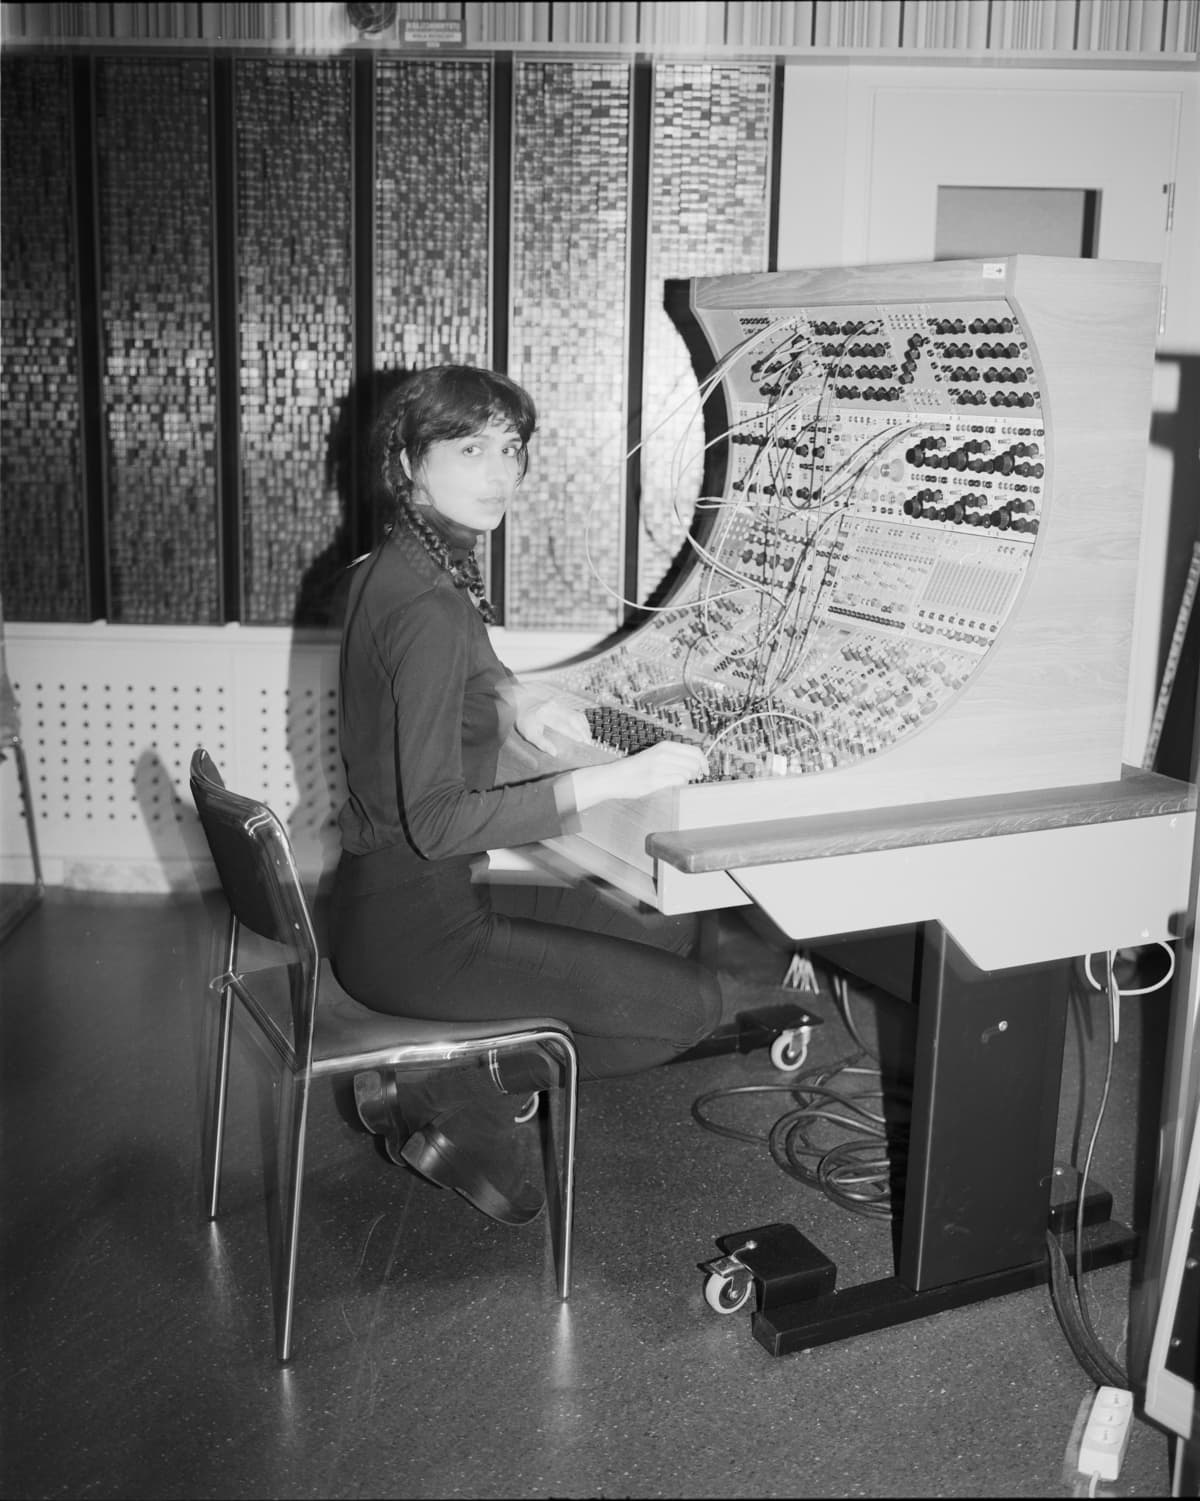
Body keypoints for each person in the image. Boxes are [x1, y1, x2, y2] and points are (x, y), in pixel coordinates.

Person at [329, 364, 723, 1227]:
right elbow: (438, 821)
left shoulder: (391, 565)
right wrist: (616, 778)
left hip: (374, 904)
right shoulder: (431, 605)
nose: (501, 472)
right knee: (691, 1008)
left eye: (511, 449)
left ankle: (458, 1066)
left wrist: (514, 697)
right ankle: (449, 1079)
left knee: (667, 924)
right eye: (470, 449)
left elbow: (435, 680)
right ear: (409, 461)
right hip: (422, 932)